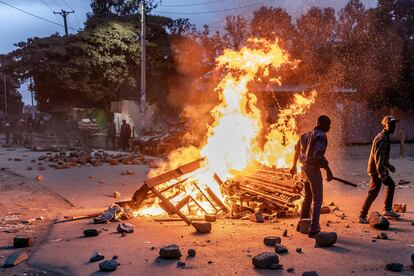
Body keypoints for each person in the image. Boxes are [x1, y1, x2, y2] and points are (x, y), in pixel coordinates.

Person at [290, 115, 334, 237]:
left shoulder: (304, 135)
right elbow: (318, 156)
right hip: (313, 169)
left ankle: (302, 223)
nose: (329, 127)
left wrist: (293, 166)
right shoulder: (321, 136)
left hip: (303, 168)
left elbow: (297, 150)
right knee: (317, 199)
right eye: (328, 124)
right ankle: (314, 228)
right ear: (321, 123)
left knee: (308, 196)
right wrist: (328, 170)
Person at [358, 115, 400, 223]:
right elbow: (378, 159)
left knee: (390, 184)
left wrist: (389, 166)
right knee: (373, 192)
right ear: (385, 125)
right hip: (376, 170)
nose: (393, 127)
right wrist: (382, 174)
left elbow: (382, 158)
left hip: (380, 168)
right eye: (391, 124)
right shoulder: (382, 139)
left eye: (394, 124)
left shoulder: (385, 137)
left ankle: (387, 209)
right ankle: (362, 215)